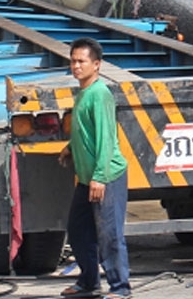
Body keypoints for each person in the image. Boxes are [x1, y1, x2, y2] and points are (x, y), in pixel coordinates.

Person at [59, 38, 131, 299]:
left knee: (109, 236)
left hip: (106, 178)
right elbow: (85, 132)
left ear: (97, 65)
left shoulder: (100, 95)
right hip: (87, 178)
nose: (76, 66)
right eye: (73, 61)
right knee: (78, 230)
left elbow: (105, 140)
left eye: (82, 61)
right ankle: (89, 282)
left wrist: (99, 178)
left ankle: (120, 288)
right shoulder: (83, 93)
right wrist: (70, 148)